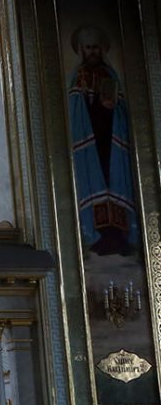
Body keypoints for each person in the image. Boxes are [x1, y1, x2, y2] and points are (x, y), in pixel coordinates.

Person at [68, 24, 138, 256]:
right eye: (88, 48)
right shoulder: (79, 76)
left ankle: (119, 236)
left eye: (96, 47)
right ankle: (100, 236)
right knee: (95, 181)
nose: (92, 52)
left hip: (111, 139)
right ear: (82, 50)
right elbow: (76, 109)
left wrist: (112, 106)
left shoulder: (110, 74)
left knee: (114, 181)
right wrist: (92, 103)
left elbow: (121, 107)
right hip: (90, 140)